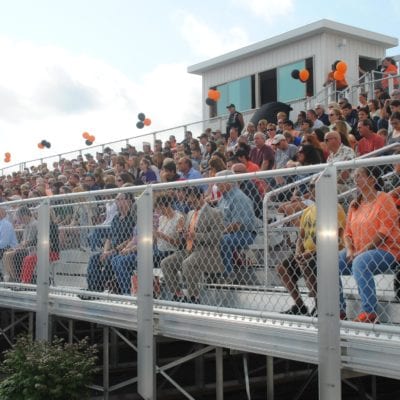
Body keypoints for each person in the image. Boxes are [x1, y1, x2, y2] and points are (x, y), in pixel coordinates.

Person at [339, 166, 400, 323]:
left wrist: (362, 251)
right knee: (331, 261)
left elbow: (383, 232)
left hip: (387, 251)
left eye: (359, 176)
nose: (355, 179)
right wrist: (349, 249)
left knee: (361, 262)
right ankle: (338, 309)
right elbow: (347, 232)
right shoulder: (355, 204)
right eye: (355, 176)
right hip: (357, 251)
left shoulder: (384, 199)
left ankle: (370, 313)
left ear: (372, 179)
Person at [277, 182, 346, 316]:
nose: (313, 191)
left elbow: (336, 238)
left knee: (309, 262)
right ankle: (300, 306)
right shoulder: (308, 211)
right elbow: (301, 237)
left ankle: (320, 305)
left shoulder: (335, 208)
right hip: (306, 253)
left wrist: (311, 253)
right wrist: (298, 253)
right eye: (312, 189)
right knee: (282, 268)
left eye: (317, 189)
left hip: (327, 252)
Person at [161, 187, 224, 303]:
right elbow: (187, 232)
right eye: (189, 202)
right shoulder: (190, 213)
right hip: (188, 250)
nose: (191, 204)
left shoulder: (215, 213)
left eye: (193, 201)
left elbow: (217, 237)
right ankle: (178, 294)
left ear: (200, 197)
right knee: (166, 263)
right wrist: (182, 232)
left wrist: (195, 236)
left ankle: (194, 297)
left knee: (187, 263)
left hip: (206, 251)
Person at [86, 192, 136, 293]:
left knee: (110, 260)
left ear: (129, 201)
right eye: (116, 199)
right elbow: (109, 238)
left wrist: (112, 251)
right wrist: (105, 251)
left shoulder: (133, 218)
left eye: (120, 199)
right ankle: (92, 287)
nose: (117, 202)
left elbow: (131, 239)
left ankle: (97, 288)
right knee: (94, 259)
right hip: (111, 250)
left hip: (123, 250)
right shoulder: (116, 218)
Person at [216, 170, 256, 277]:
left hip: (245, 233)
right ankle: (213, 272)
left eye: (219, 182)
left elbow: (237, 225)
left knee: (223, 240)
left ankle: (228, 274)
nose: (216, 185)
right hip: (227, 231)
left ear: (228, 182)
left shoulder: (238, 197)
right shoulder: (222, 199)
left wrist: (220, 233)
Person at [3, 206, 37, 282]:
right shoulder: (28, 225)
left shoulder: (33, 224)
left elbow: (28, 242)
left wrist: (17, 247)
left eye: (20, 219)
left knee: (9, 255)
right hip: (25, 247)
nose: (20, 221)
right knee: (6, 254)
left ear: (25, 216)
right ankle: (11, 276)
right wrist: (16, 247)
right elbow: (23, 241)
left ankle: (15, 278)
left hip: (31, 248)